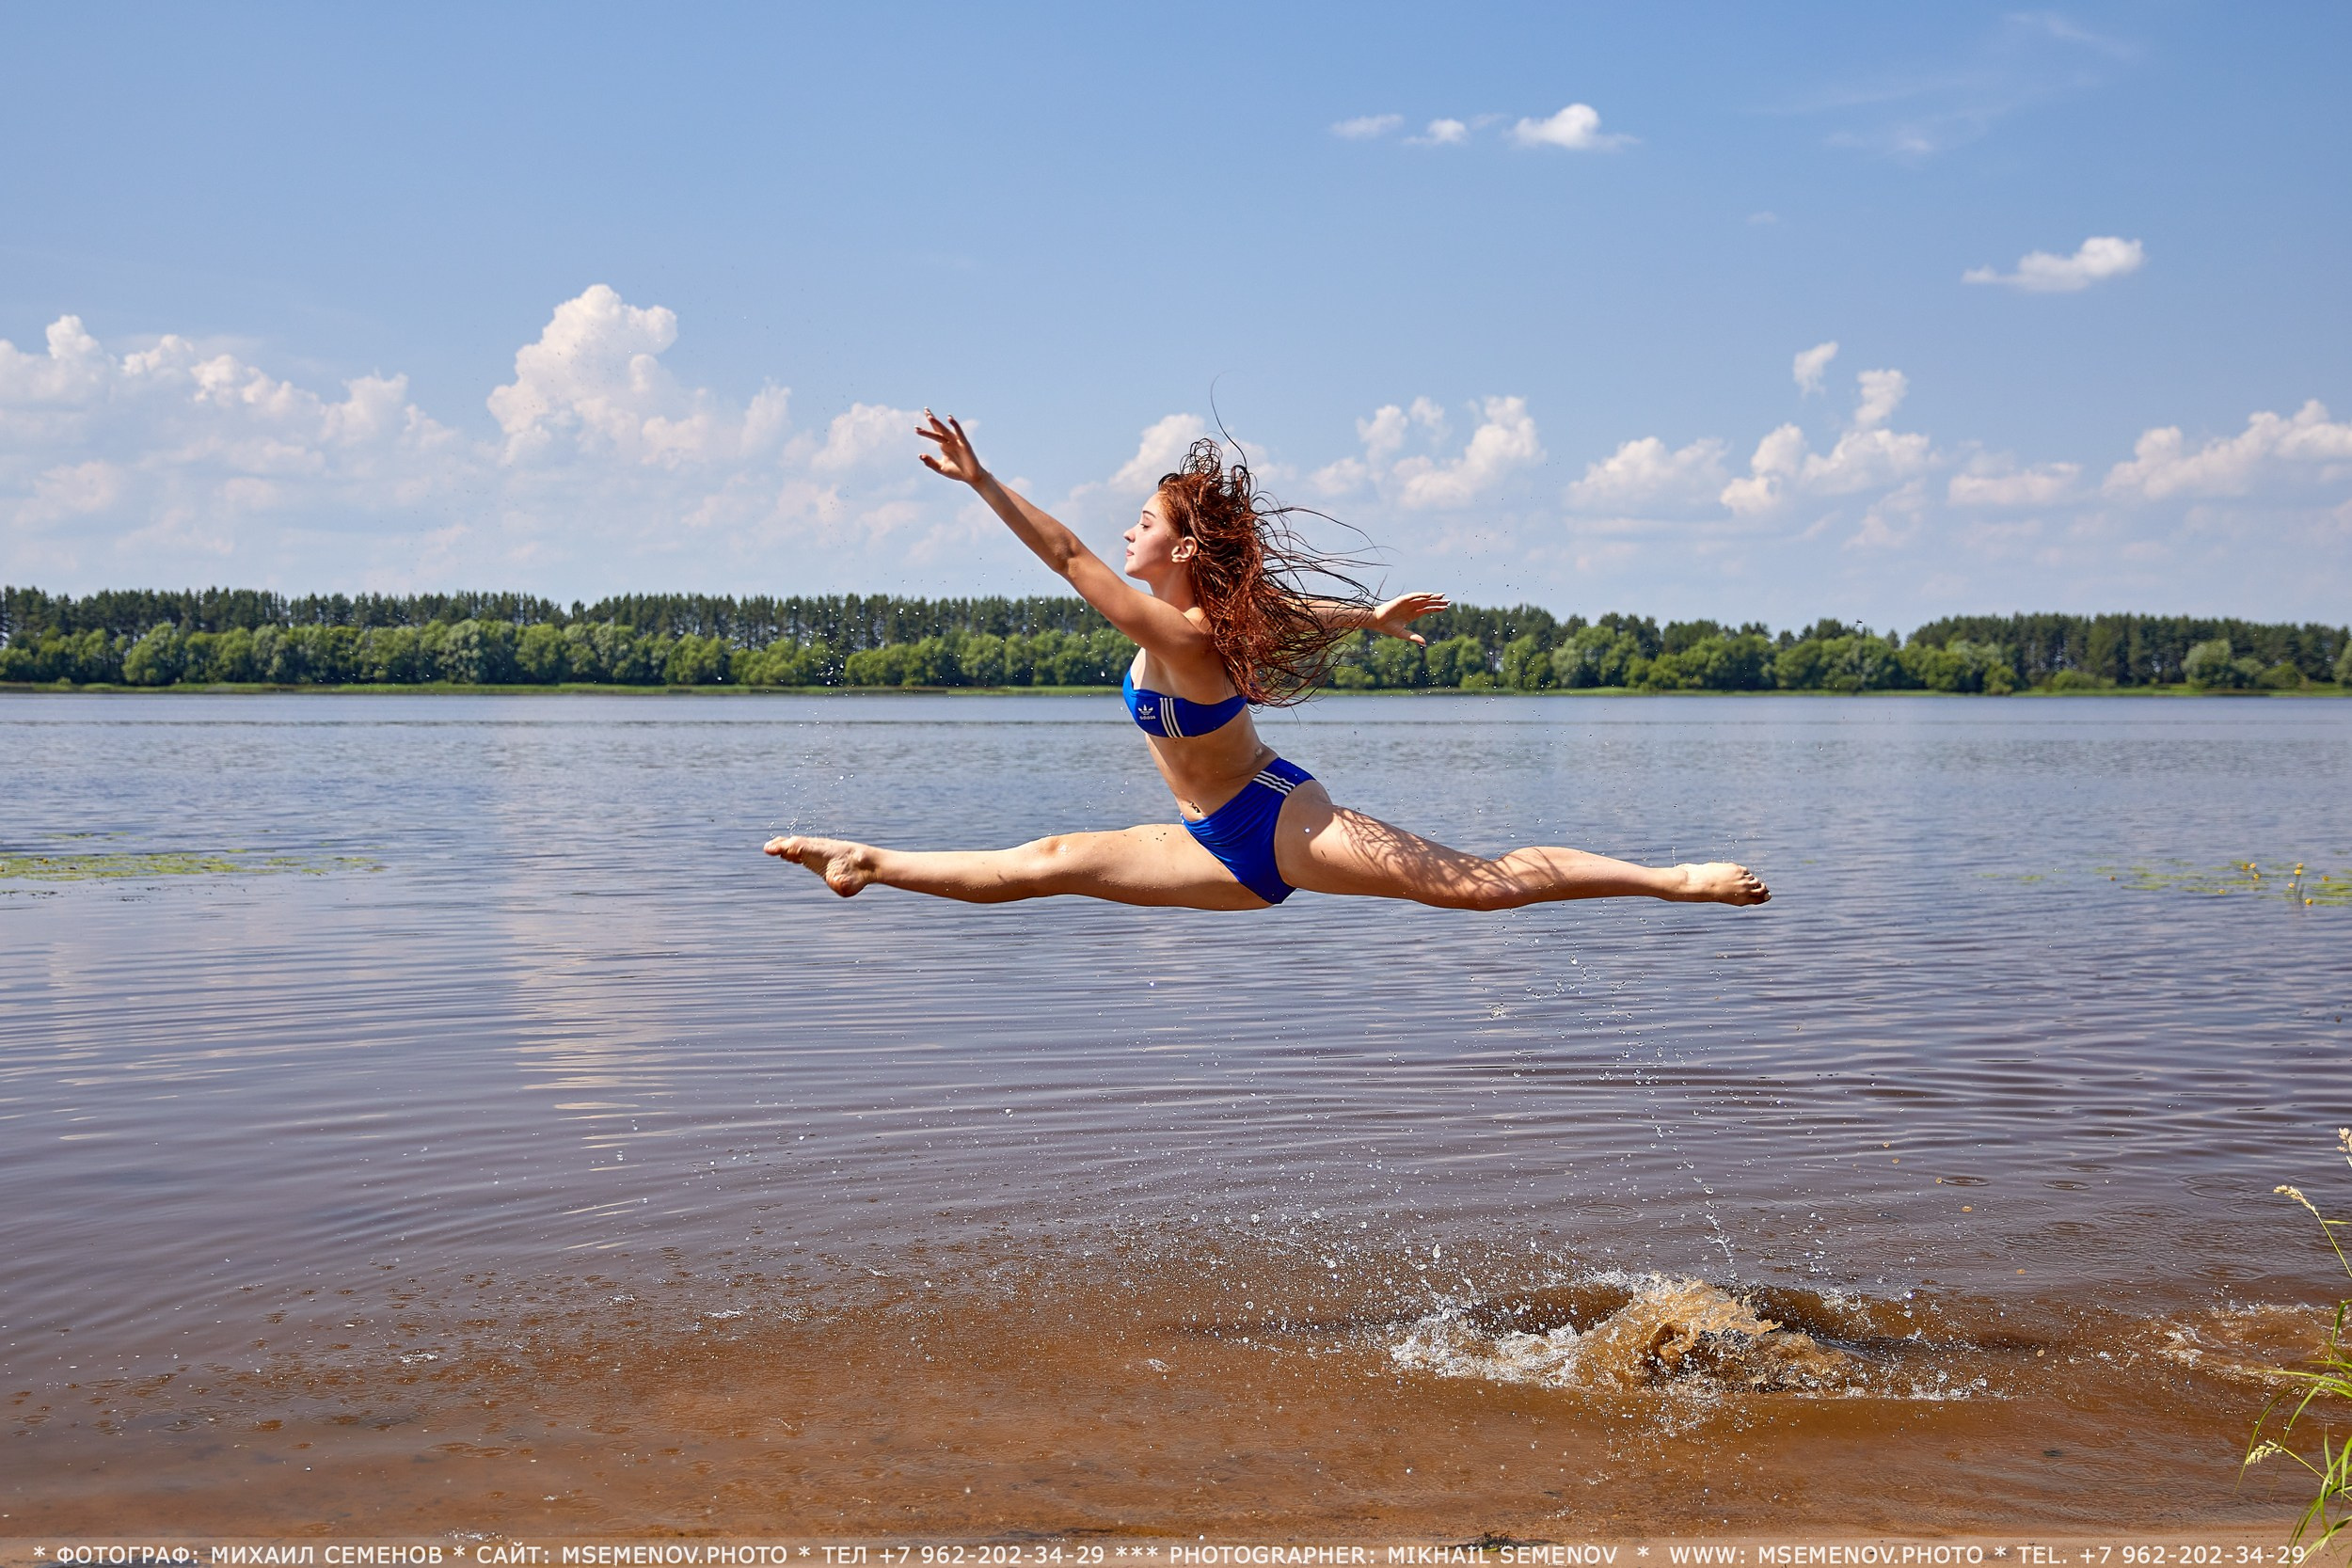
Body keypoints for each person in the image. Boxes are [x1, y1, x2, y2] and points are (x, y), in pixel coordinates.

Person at [766, 412, 1769, 913]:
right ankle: (866, 861)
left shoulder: (1183, 634)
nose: (1127, 529)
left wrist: (982, 480)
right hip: (1204, 835)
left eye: (1145, 521)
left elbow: (1066, 553)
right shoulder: (1199, 612)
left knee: (1476, 886)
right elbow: (1282, 605)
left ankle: (1671, 878)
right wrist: (1367, 617)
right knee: (1048, 862)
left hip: (1278, 817)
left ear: (1185, 548)